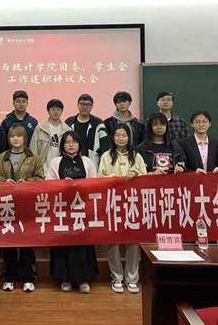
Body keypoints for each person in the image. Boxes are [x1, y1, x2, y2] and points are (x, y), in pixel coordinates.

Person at [46, 131, 98, 294]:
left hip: (82, 209)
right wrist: (63, 184)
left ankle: (83, 280)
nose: (71, 145)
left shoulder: (87, 162)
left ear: (80, 144)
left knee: (82, 244)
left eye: (74, 142)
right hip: (62, 208)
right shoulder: (55, 162)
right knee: (64, 243)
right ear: (62, 145)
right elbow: (48, 184)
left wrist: (80, 186)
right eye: (67, 142)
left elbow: (95, 184)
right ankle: (65, 279)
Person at [0, 124, 44, 293]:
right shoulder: (2, 157)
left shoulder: (34, 158)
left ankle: (28, 278)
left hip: (27, 205)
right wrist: (3, 182)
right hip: (7, 205)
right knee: (8, 242)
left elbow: (41, 178)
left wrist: (28, 182)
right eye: (12, 136)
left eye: (19, 136)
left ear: (24, 138)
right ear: (8, 139)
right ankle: (9, 277)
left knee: (27, 243)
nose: (15, 139)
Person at [98, 123, 147, 294]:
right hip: (112, 202)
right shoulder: (106, 156)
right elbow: (100, 177)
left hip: (133, 202)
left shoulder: (137, 156)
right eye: (117, 135)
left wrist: (136, 175)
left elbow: (146, 178)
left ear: (129, 137)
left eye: (124, 135)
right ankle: (117, 277)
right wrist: (115, 178)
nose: (121, 138)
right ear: (113, 137)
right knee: (113, 241)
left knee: (133, 241)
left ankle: (132, 278)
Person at [65, 94, 110, 167]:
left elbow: (105, 148)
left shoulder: (99, 124)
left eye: (88, 105)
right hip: (70, 164)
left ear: (92, 106)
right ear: (77, 105)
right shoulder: (69, 122)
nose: (85, 107)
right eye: (82, 104)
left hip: (92, 164)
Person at [29, 99, 71, 174]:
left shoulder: (68, 130)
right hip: (43, 169)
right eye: (53, 109)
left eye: (58, 109)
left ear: (62, 111)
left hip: (62, 169)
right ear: (48, 111)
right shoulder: (40, 129)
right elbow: (33, 149)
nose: (55, 112)